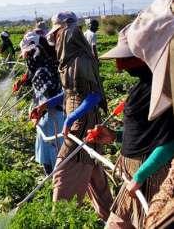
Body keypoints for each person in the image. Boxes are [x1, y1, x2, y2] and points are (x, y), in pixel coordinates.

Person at [31, 12, 113, 221]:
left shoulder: (79, 59)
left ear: (67, 32)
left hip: (82, 126)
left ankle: (61, 222)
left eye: (58, 34)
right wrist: (45, 104)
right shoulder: (69, 59)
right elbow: (71, 92)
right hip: (82, 123)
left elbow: (94, 96)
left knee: (64, 172)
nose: (56, 39)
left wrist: (70, 118)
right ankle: (117, 221)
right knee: (95, 178)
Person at [92, 25, 173, 228]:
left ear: (145, 54)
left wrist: (141, 175)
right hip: (136, 179)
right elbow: (147, 133)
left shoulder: (164, 90)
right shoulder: (144, 87)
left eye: (126, 59)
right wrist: (115, 136)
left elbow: (170, 141)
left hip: (153, 178)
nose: (119, 67)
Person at [13, 31, 64, 175]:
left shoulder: (41, 71)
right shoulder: (50, 63)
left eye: (27, 55)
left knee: (52, 153)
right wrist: (22, 81)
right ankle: (56, 183)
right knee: (55, 151)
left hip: (52, 119)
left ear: (35, 52)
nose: (26, 58)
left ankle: (56, 186)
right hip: (56, 115)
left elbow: (46, 99)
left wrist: (38, 113)